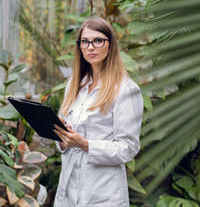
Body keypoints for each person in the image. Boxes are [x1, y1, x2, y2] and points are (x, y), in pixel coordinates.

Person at [53, 17, 144, 207]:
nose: (90, 47)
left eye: (98, 40)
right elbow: (63, 134)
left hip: (103, 194)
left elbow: (128, 147)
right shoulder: (74, 85)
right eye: (85, 42)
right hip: (69, 192)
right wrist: (63, 139)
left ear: (110, 45)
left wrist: (86, 144)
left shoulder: (126, 90)